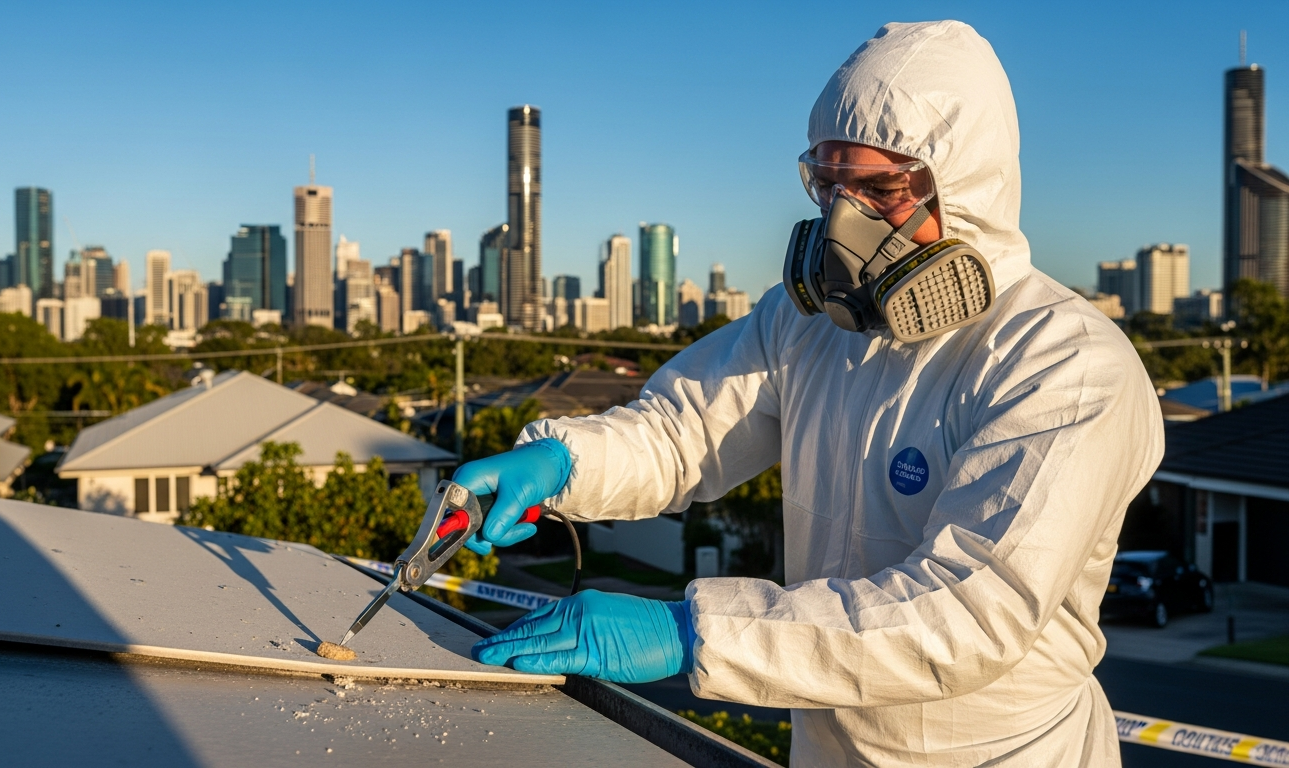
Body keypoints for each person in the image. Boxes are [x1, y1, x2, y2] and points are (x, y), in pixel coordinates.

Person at [456, 20, 1162, 766]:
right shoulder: (809, 323)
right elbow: (681, 429)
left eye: (879, 190)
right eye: (829, 185)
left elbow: (967, 612)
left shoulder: (1063, 365)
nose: (841, 223)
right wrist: (564, 465)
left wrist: (692, 631)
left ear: (966, 191)